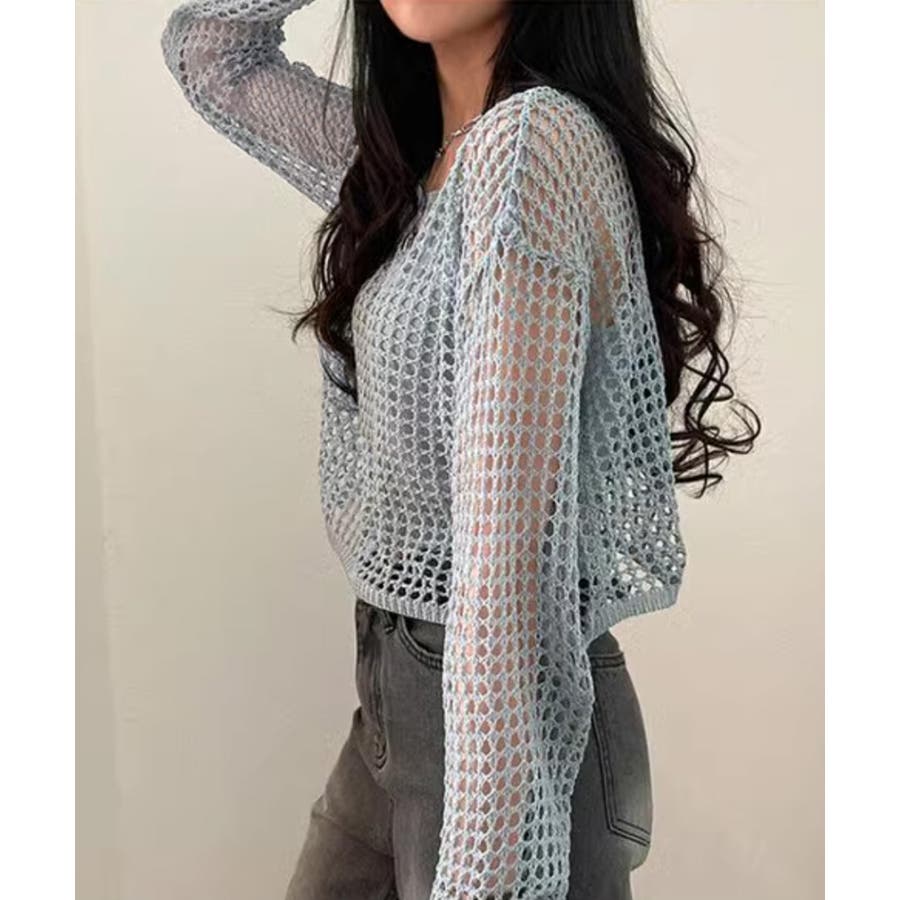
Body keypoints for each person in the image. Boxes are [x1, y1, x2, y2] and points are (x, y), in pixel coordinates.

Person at [160, 2, 760, 897]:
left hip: (504, 725)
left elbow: (505, 570)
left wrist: (490, 859)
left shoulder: (532, 149)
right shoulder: (407, 163)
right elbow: (210, 53)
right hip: (397, 697)